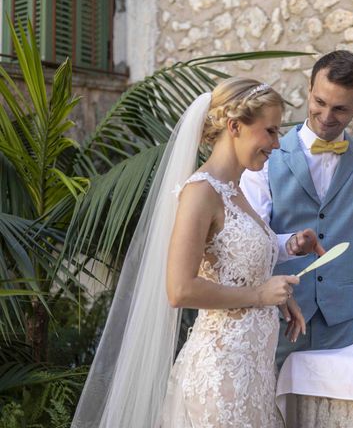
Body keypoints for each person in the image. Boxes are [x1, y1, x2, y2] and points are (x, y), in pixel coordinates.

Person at [72, 78, 324, 428]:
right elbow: (180, 290)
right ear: (235, 126)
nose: (276, 143)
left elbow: (234, 267)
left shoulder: (235, 191)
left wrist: (276, 296)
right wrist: (260, 295)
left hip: (254, 373)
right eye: (269, 131)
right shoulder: (200, 193)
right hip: (220, 377)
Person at [240, 51, 353, 368]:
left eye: (340, 109)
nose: (326, 116)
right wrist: (288, 244)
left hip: (345, 327)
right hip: (278, 321)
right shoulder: (266, 156)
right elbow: (250, 240)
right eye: (320, 102)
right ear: (309, 91)